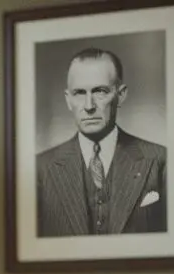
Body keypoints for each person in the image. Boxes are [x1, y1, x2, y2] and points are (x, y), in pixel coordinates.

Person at [36, 47, 167, 237]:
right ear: (68, 100)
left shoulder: (160, 161)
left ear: (120, 95)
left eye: (100, 91)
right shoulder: (39, 169)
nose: (89, 106)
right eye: (79, 93)